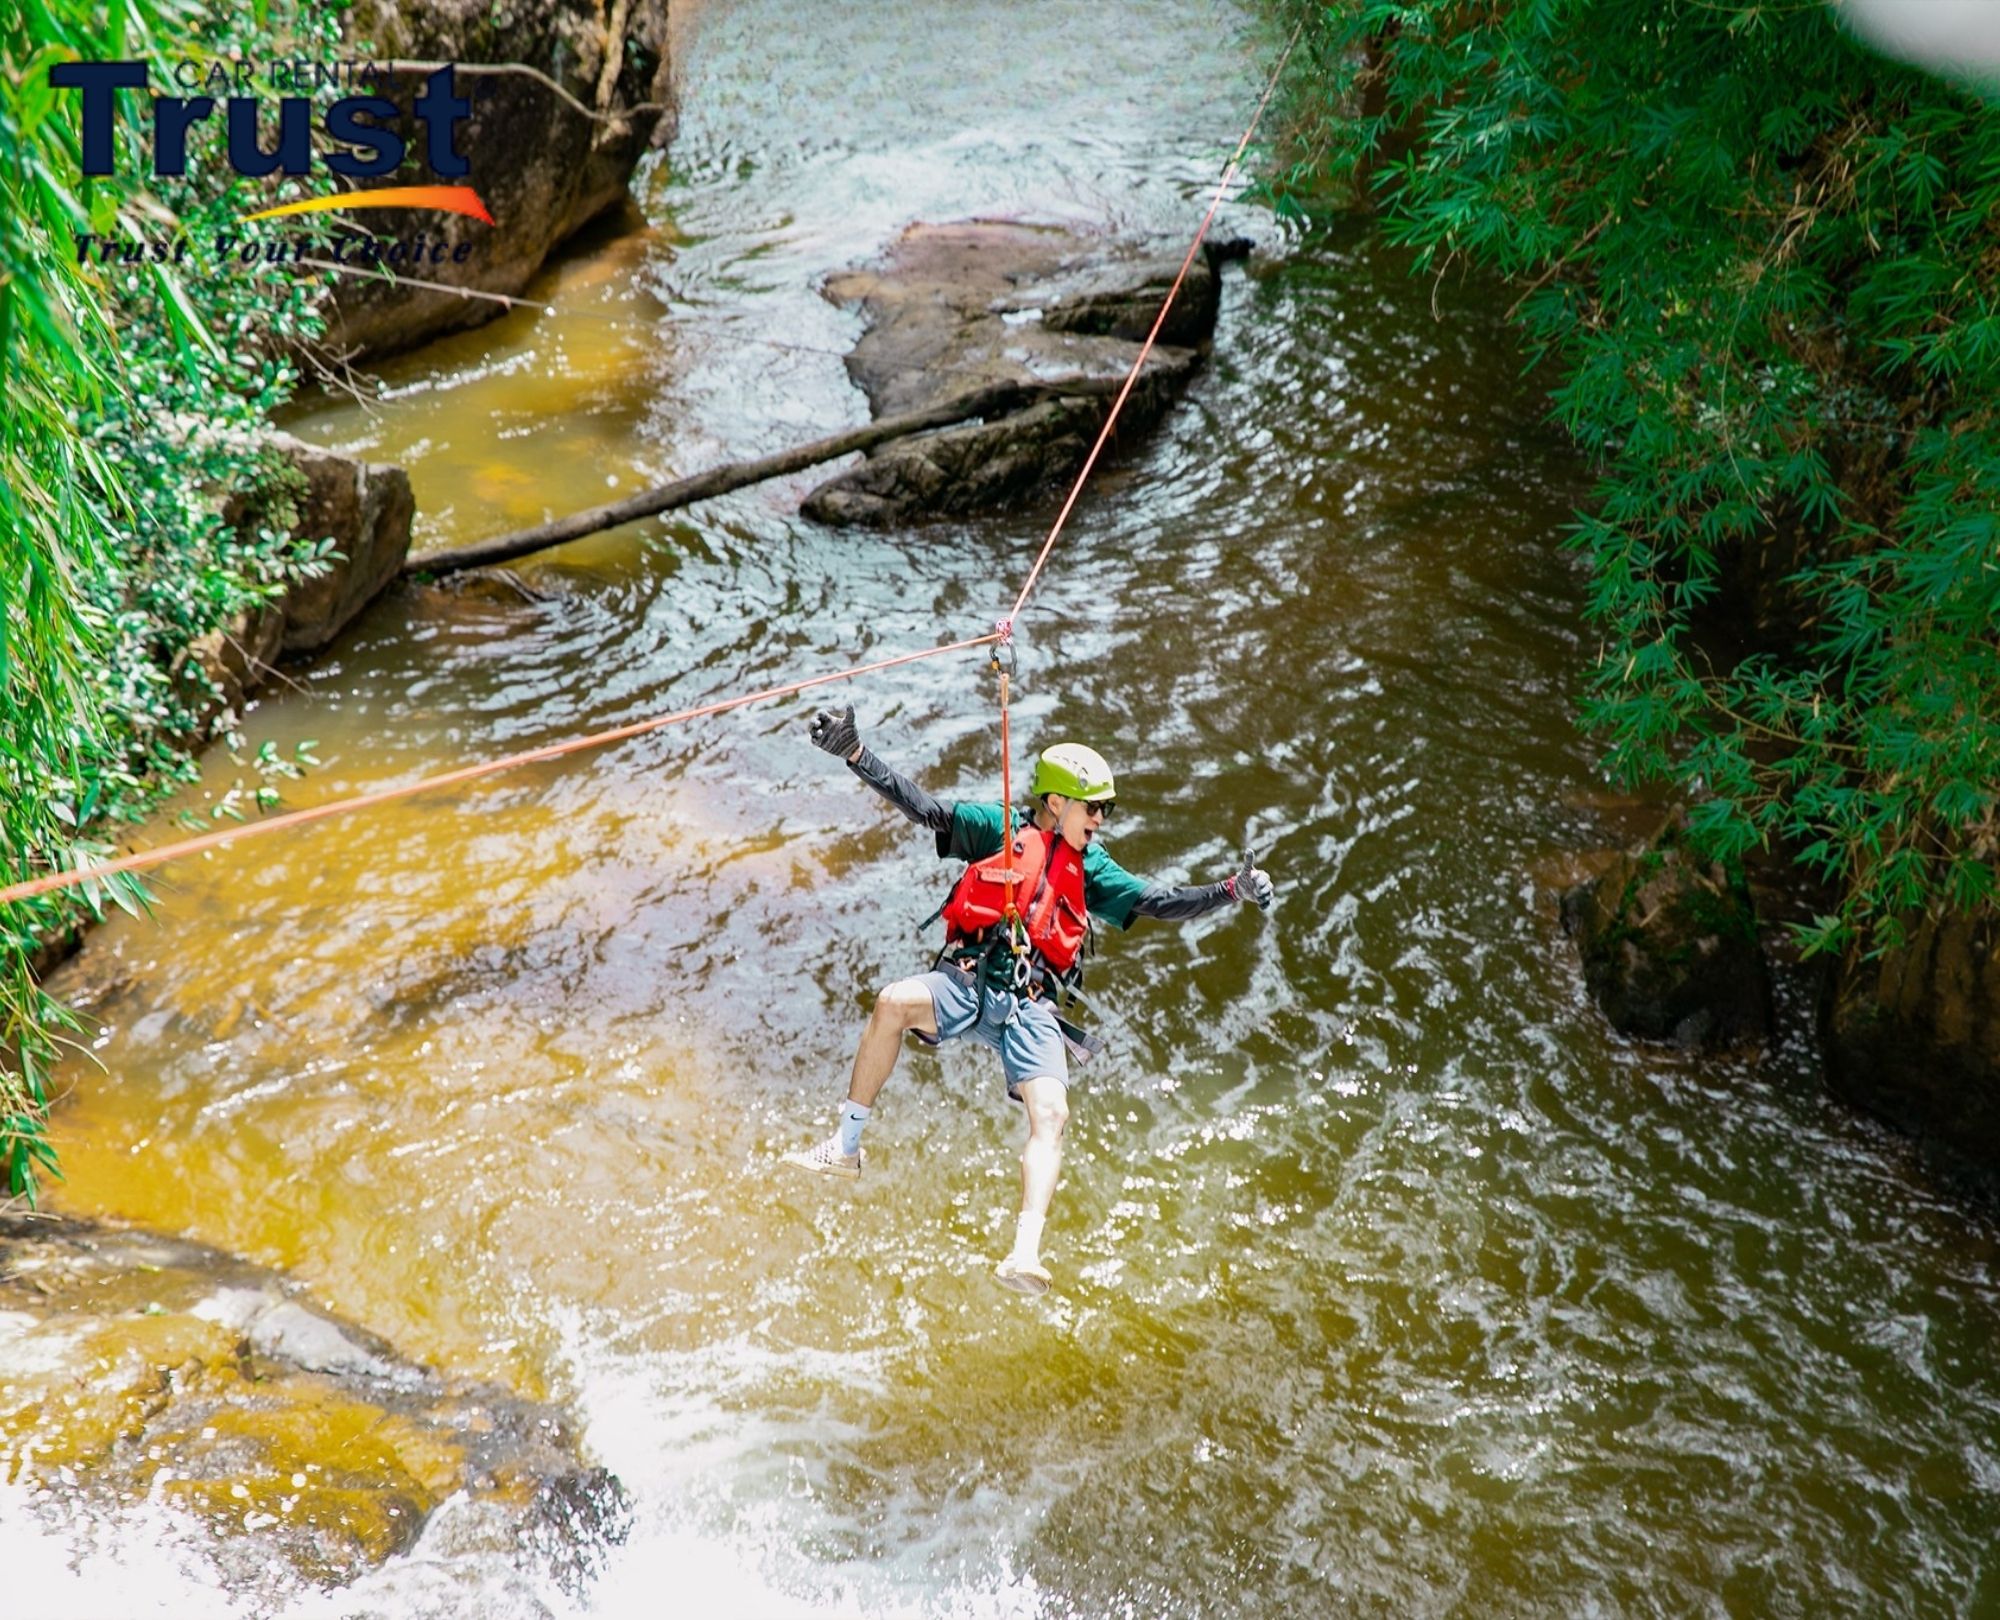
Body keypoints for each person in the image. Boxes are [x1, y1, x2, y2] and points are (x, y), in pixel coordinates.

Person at [783, 702, 1275, 1296]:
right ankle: (845, 1147)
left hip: (1031, 1007)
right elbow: (927, 809)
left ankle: (1024, 1255)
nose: (1101, 819)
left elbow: (1157, 901)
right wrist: (856, 755)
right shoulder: (1000, 828)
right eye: (1094, 807)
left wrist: (1230, 890)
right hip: (967, 983)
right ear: (1057, 802)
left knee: (1054, 1115)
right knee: (891, 1002)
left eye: (1106, 809)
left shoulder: (1093, 867)